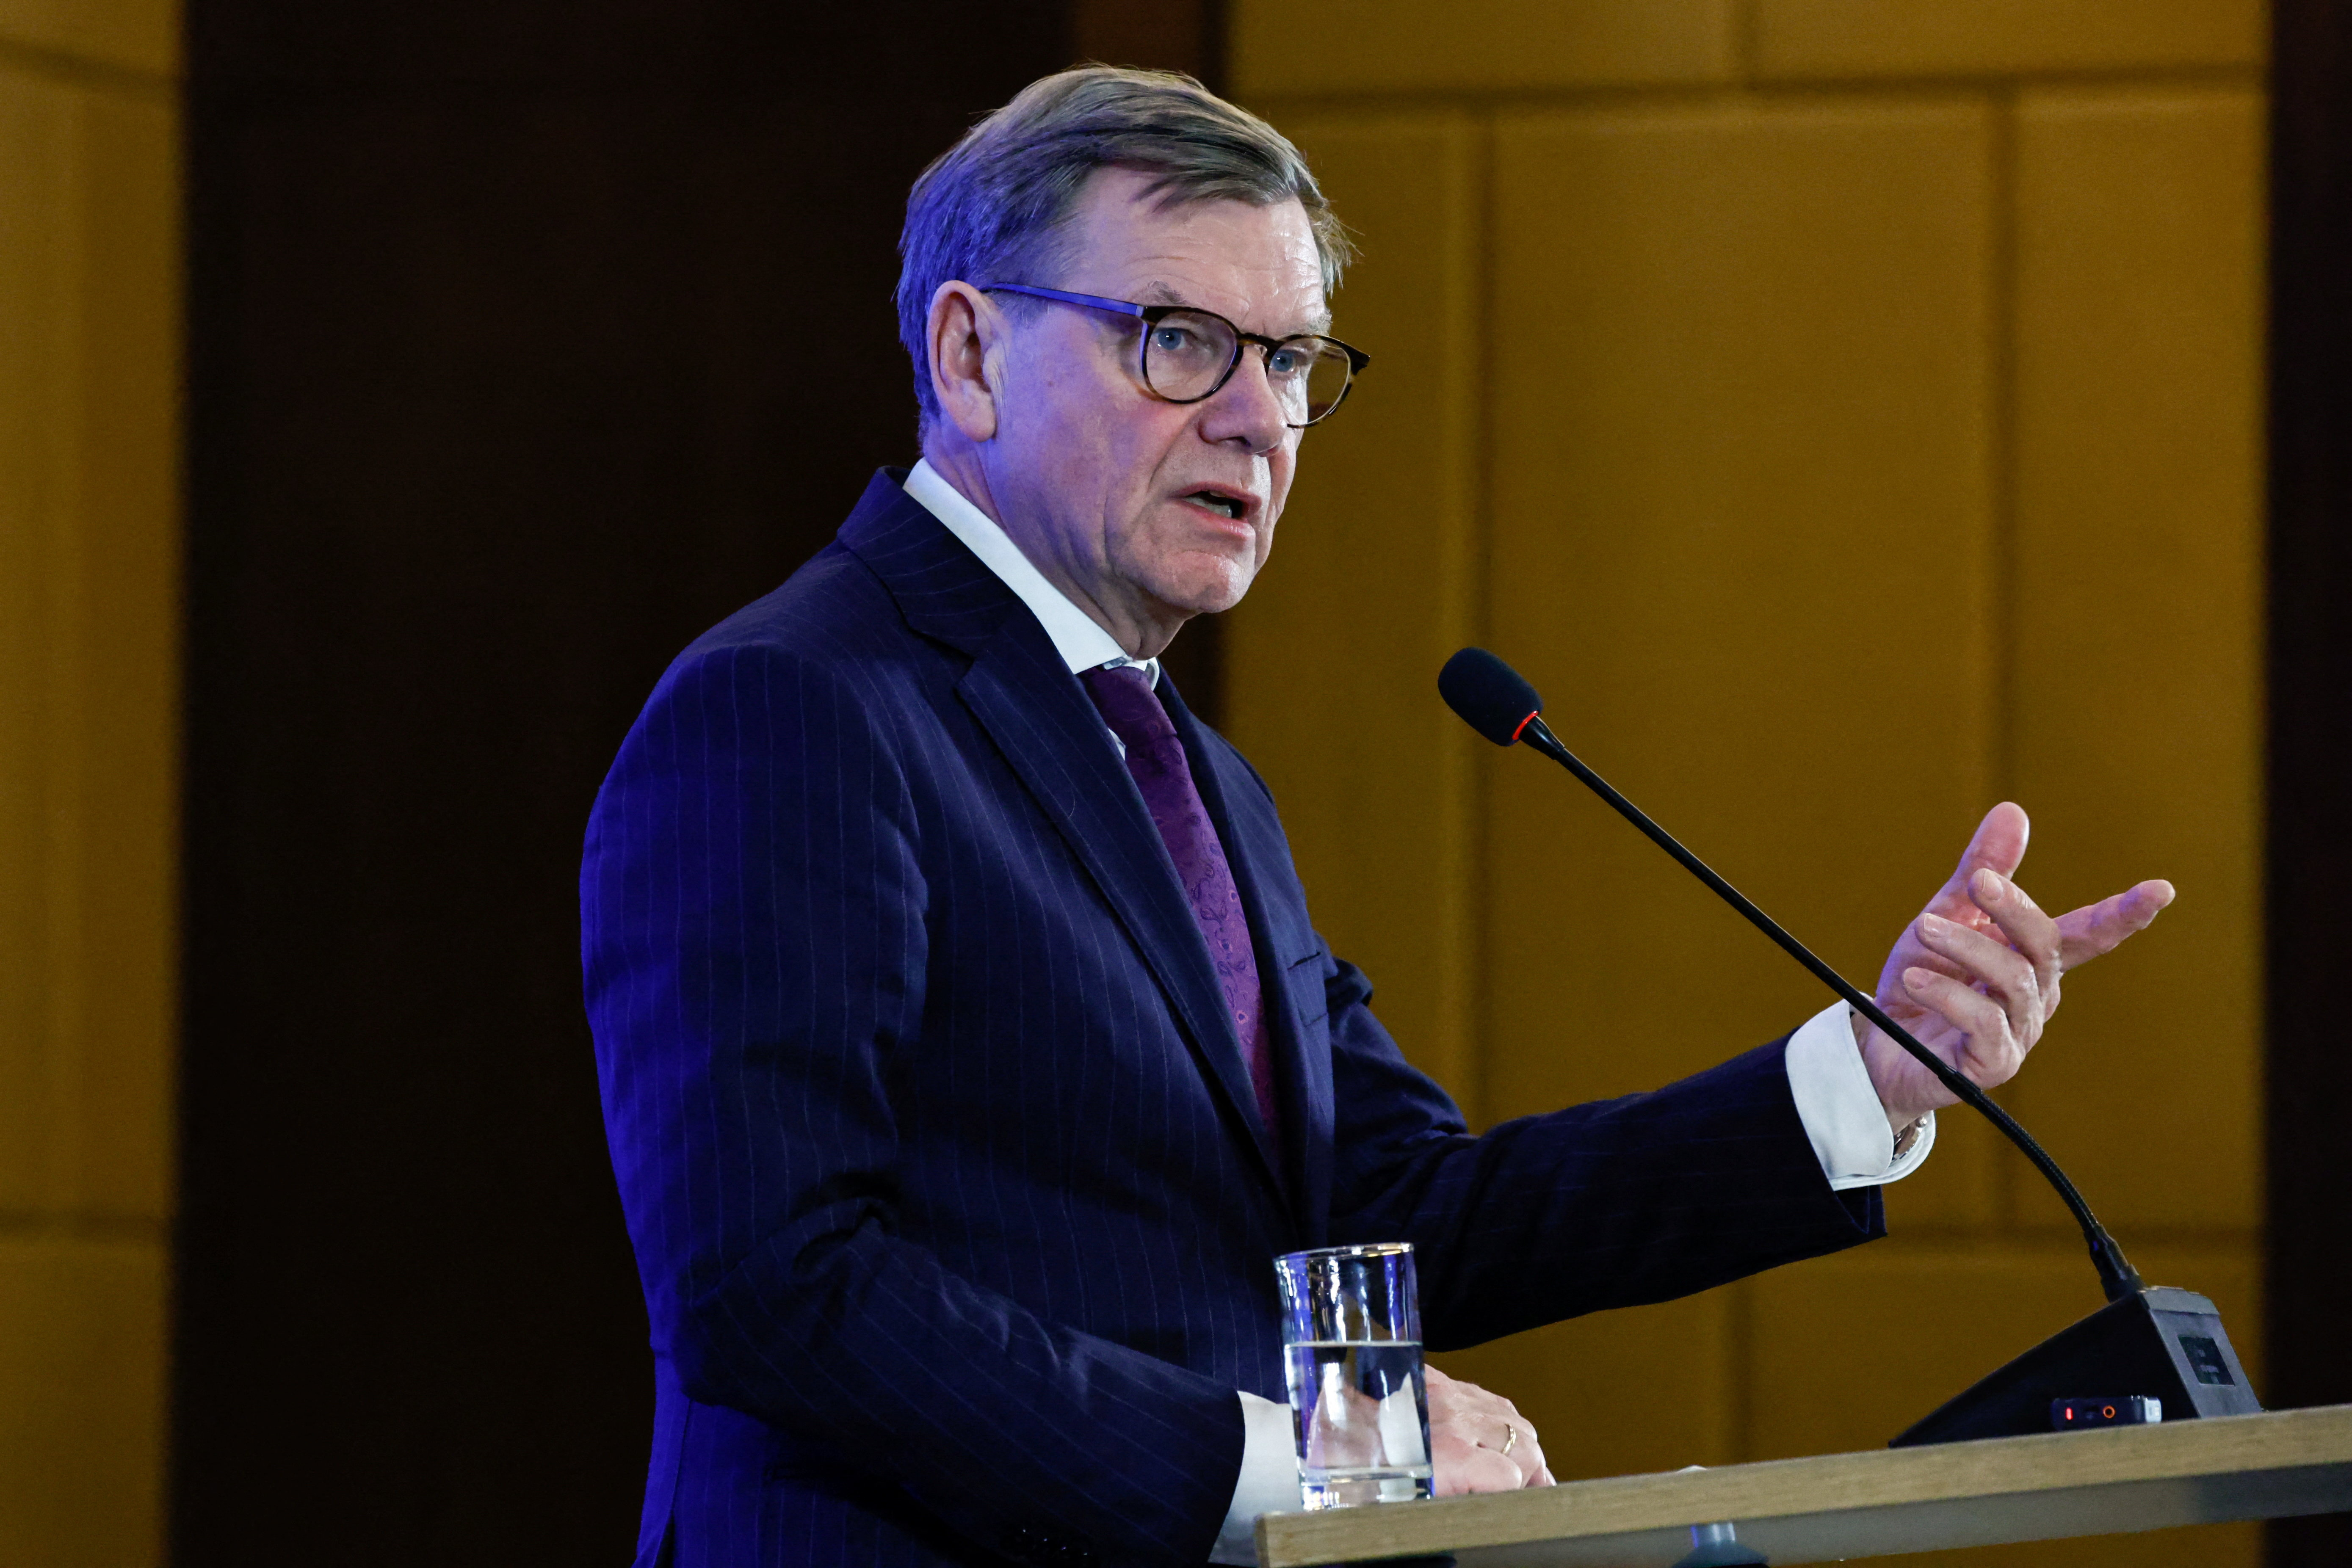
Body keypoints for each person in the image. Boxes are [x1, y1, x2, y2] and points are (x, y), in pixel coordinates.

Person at [580, 66, 2174, 1568]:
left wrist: (1867, 1076)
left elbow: (1397, 1212)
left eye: (1288, 360)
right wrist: (1304, 1465)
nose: (1259, 421)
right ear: (969, 354)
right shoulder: (798, 707)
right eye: (1178, 340)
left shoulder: (1190, 771)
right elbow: (774, 1286)